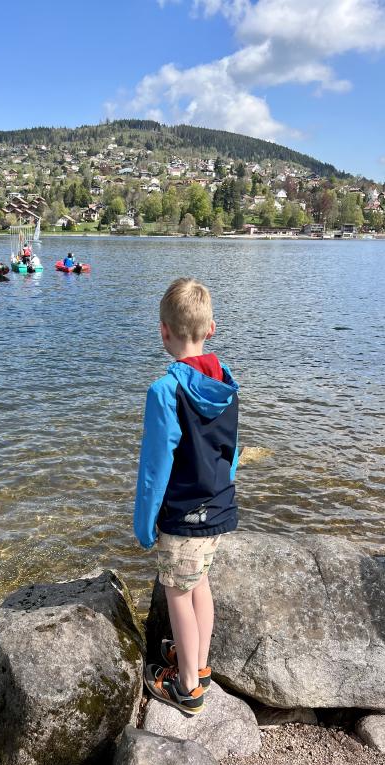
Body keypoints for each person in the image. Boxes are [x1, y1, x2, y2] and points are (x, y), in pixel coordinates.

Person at [134, 277, 239, 715]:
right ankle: (199, 663)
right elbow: (230, 451)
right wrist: (222, 493)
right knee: (200, 585)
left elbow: (155, 468)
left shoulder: (164, 392)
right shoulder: (226, 383)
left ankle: (187, 687)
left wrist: (144, 523)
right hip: (217, 507)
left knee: (177, 593)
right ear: (210, 328)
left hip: (182, 515)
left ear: (163, 331)